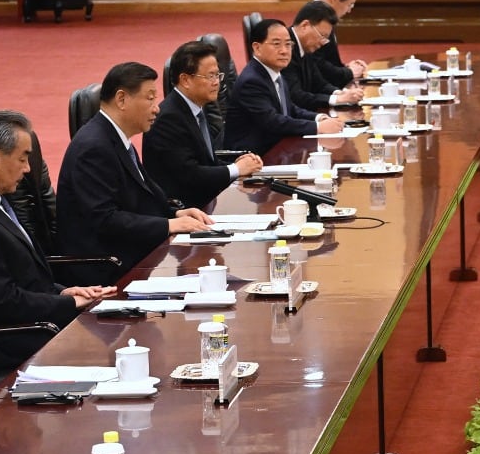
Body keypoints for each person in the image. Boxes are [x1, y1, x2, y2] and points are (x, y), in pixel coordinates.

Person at [0, 111, 118, 401]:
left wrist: (64, 292)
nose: (27, 169)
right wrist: (66, 303)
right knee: (114, 352)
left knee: (118, 330)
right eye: (23, 158)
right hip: (10, 339)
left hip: (34, 320)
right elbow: (2, 300)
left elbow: (25, 275)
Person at [58, 63, 214, 277]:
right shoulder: (93, 148)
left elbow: (141, 197)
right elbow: (106, 220)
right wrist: (168, 225)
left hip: (131, 252)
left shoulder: (116, 139)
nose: (157, 107)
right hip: (108, 266)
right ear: (121, 99)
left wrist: (176, 213)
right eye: (150, 98)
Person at [146, 41, 264, 209]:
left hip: (206, 199)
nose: (217, 82)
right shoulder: (168, 118)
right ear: (185, 80)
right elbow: (189, 174)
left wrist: (240, 165)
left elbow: (206, 162)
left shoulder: (196, 108)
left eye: (218, 75)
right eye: (210, 76)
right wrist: (235, 169)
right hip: (185, 210)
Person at [223, 19, 345, 156]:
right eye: (276, 44)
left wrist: (319, 118)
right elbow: (273, 121)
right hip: (254, 156)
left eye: (288, 44)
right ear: (257, 48)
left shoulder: (274, 72)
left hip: (276, 148)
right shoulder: (251, 81)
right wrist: (318, 127)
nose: (284, 51)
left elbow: (290, 108)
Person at [287, 6, 364, 112]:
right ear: (305, 26)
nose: (323, 43)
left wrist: (340, 93)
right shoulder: (285, 48)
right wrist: (337, 99)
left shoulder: (306, 45)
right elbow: (296, 96)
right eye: (322, 36)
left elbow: (319, 83)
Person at [297, 0, 367, 87]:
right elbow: (316, 64)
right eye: (349, 5)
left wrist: (346, 68)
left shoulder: (323, 13)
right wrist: (347, 73)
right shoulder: (315, 17)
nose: (349, 11)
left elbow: (327, 59)